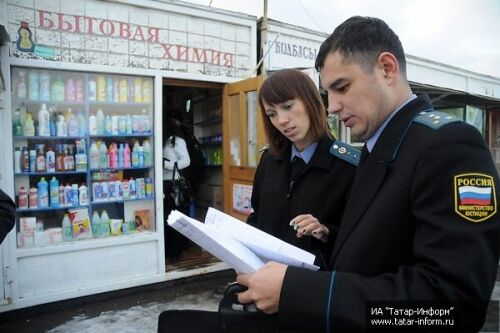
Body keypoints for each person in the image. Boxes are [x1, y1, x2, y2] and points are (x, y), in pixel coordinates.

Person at [158, 16, 500, 332]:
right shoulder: (376, 149)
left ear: (386, 68)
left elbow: (451, 309)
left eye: (342, 87)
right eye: (328, 92)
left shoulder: (450, 146)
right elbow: (365, 256)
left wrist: (296, 292)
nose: (333, 106)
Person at [247, 69, 357, 268]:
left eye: (288, 106)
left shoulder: (348, 166)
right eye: (272, 114)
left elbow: (358, 238)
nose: (281, 121)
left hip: (313, 286)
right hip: (264, 277)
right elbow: (257, 216)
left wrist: (325, 231)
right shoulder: (269, 159)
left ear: (311, 102)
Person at [163, 117, 191, 261]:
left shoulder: (177, 141)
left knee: (173, 218)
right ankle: (168, 250)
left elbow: (186, 160)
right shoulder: (162, 139)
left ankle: (176, 252)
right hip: (162, 183)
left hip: (172, 184)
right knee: (164, 218)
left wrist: (167, 165)